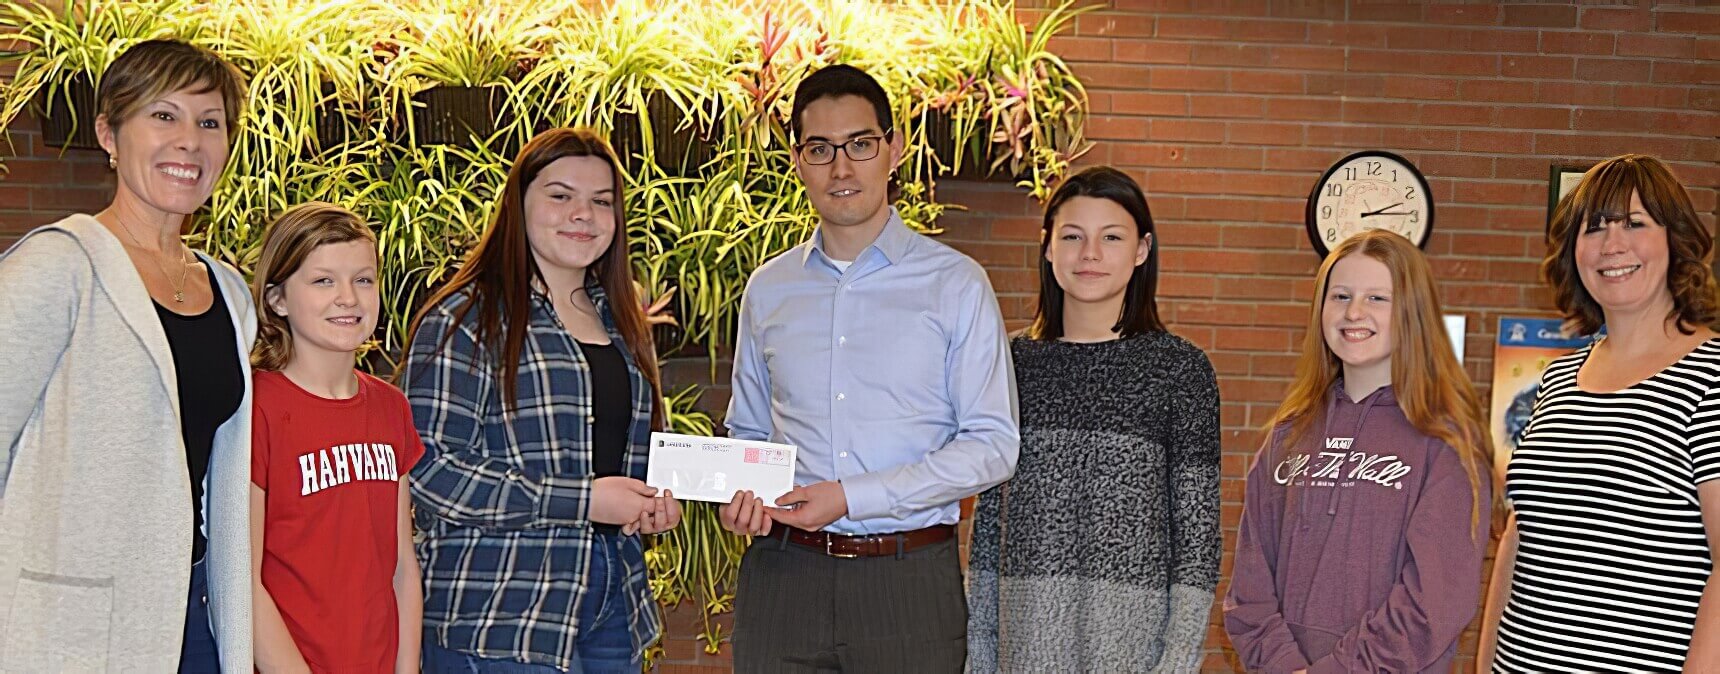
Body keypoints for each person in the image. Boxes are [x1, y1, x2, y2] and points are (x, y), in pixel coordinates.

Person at [719, 63, 1020, 672]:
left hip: (907, 584)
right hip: (784, 577)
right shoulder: (769, 288)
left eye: (860, 144)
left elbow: (992, 446)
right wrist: (737, 495)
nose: (841, 167)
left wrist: (851, 497)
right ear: (798, 160)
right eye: (820, 149)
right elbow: (748, 433)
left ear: (893, 150)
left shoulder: (955, 284)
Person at [0, 39, 252, 672]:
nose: (189, 141)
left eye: (209, 122)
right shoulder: (57, 266)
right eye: (163, 116)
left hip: (195, 612)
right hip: (69, 625)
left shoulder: (231, 291)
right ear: (109, 134)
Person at [402, 127, 681, 674]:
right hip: (500, 609)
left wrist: (652, 504)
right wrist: (583, 501)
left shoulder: (622, 323)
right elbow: (428, 469)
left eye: (602, 201)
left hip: (611, 598)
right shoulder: (464, 319)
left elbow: (620, 462)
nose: (583, 213)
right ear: (519, 203)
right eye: (560, 195)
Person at [966, 166, 1220, 672]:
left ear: (1142, 250)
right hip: (1026, 642)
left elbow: (1197, 538)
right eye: (1073, 237)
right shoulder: (1010, 364)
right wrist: (980, 652)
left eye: (1111, 237)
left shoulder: (1181, 370)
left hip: (1134, 649)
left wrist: (1178, 660)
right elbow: (989, 524)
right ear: (1047, 247)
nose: (1090, 255)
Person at [1477, 154, 1720, 673]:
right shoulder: (1557, 378)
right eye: (1594, 228)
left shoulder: (1711, 376)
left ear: (1675, 240)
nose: (1613, 245)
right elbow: (1519, 536)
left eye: (1635, 223)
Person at [1224, 229, 1494, 673]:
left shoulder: (1446, 444)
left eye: (1377, 298)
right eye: (1341, 295)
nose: (1354, 311)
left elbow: (1436, 602)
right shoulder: (1288, 434)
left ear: (1413, 312)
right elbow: (1249, 588)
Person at [248, 203, 424, 673]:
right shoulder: (255, 408)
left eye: (363, 279)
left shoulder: (391, 408)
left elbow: (402, 563)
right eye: (323, 280)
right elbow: (243, 578)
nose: (348, 297)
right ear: (277, 299)